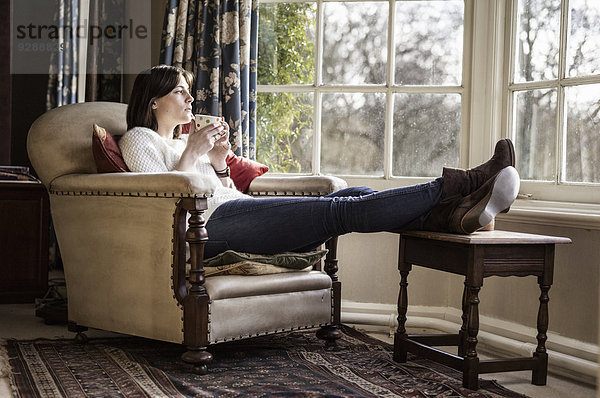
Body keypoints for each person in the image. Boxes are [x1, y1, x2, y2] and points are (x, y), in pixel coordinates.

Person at [120, 65, 520, 258]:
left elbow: (220, 193)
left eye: (189, 92)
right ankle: (463, 185)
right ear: (154, 101)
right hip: (206, 234)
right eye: (179, 91)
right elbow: (164, 200)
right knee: (341, 213)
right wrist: (193, 154)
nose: (191, 99)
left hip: (234, 212)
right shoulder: (139, 139)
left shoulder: (191, 145)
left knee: (357, 194)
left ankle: (451, 216)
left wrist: (221, 164)